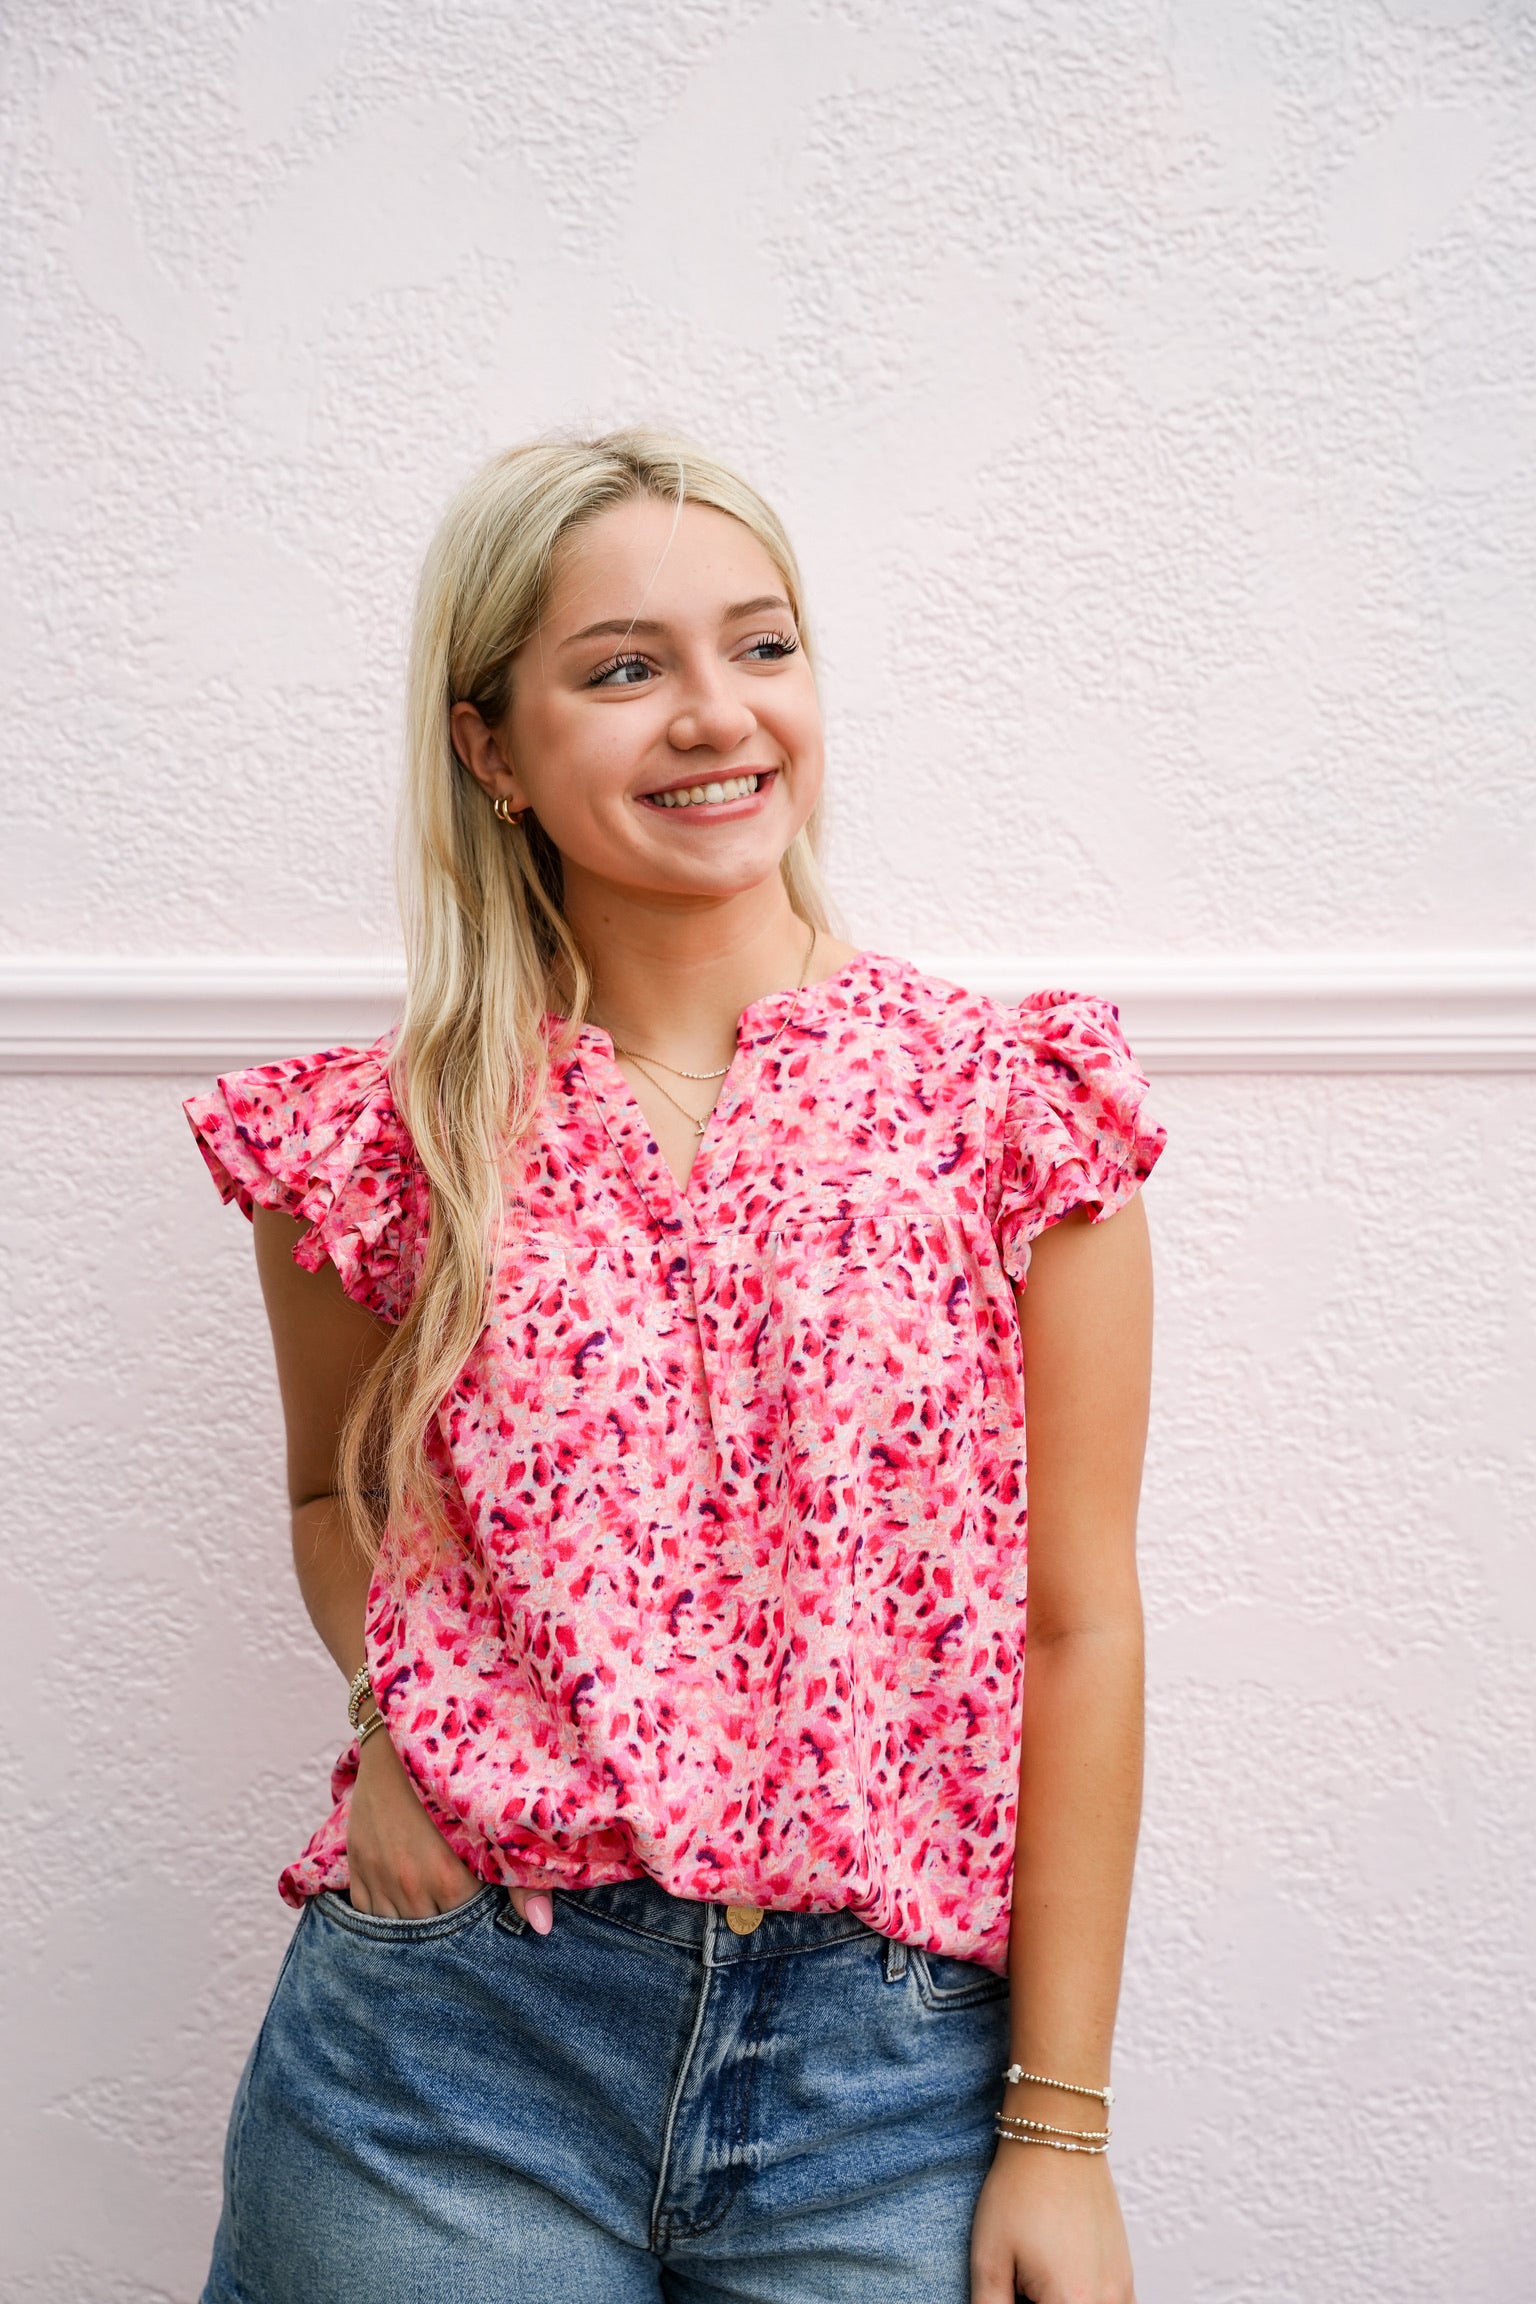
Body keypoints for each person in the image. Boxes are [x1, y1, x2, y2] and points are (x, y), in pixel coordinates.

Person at [185, 429, 1165, 2304]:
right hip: (449, 2052)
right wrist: (399, 1736)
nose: (718, 717)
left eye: (762, 646)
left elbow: (1079, 1627)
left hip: (890, 2085)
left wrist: (1060, 2126)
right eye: (624, 667)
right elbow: (334, 1494)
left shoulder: (1007, 1113)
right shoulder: (387, 1141)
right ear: (492, 746)